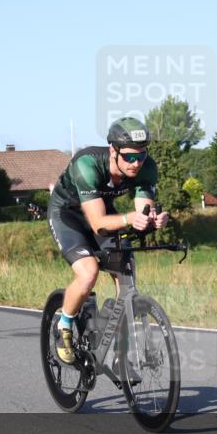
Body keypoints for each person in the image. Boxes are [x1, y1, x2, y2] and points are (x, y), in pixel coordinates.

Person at [47, 116, 168, 364]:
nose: (135, 163)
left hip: (102, 213)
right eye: (129, 157)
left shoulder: (147, 168)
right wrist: (129, 218)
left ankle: (119, 351)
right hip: (68, 215)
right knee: (88, 272)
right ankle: (64, 325)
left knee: (126, 272)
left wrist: (151, 221)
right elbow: (98, 224)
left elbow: (143, 211)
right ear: (113, 150)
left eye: (141, 156)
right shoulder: (87, 164)